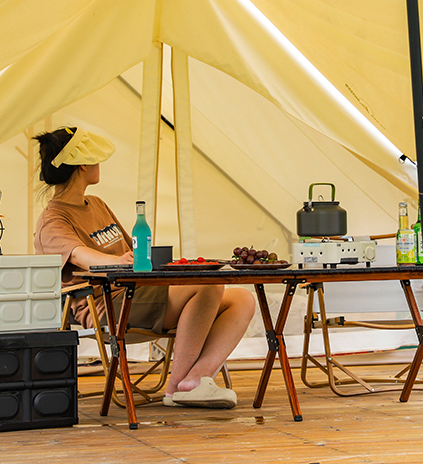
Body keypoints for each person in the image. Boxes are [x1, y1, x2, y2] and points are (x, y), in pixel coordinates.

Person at [33, 126, 256, 409]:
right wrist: (117, 262)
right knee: (208, 284)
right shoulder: (52, 219)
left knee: (243, 299)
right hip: (107, 303)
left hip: (137, 292)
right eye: (96, 159)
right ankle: (176, 389)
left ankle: (198, 379)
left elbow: (133, 251)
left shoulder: (97, 204)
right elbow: (79, 255)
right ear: (83, 163)